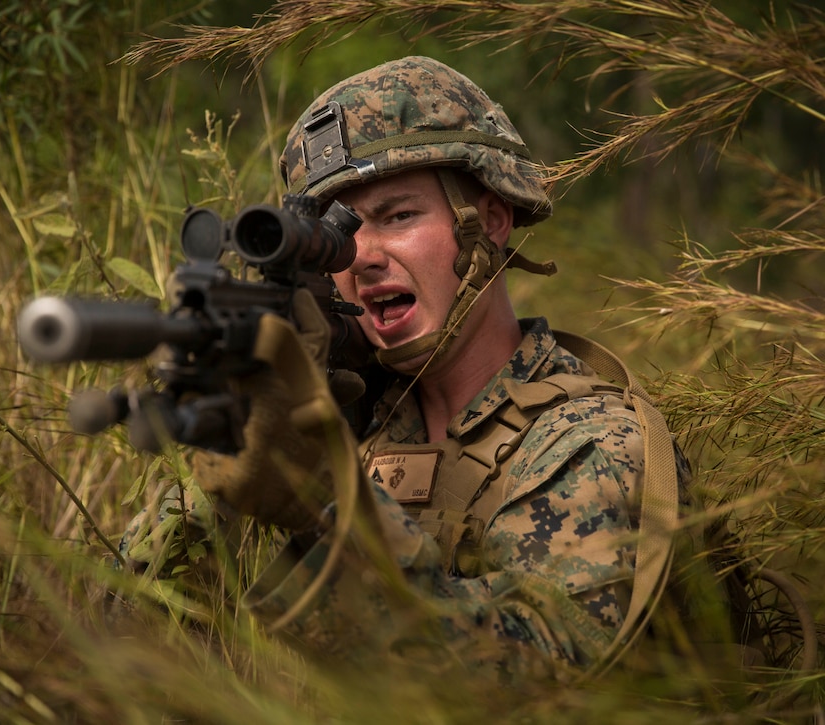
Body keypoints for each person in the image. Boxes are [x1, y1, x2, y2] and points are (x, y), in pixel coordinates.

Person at [117, 55, 690, 684]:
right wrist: (231, 451)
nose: (363, 257)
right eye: (337, 235)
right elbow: (127, 638)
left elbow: (525, 685)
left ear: (490, 222)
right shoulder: (363, 415)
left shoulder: (593, 444)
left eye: (397, 217)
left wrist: (322, 498)